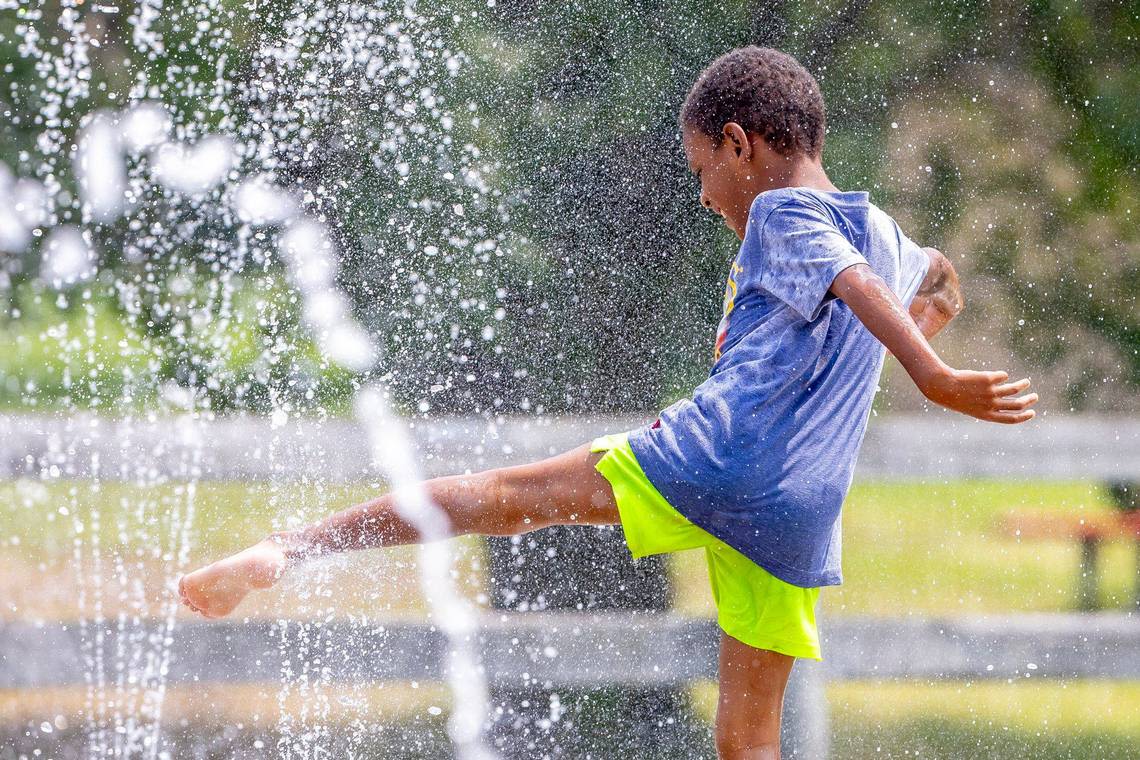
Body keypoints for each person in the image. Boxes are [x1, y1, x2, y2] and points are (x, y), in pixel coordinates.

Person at [178, 46, 1037, 759]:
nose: (704, 196)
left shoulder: (781, 211)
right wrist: (923, 318)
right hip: (799, 512)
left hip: (715, 457)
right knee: (750, 741)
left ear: (740, 145)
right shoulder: (886, 230)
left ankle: (288, 550)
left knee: (506, 500)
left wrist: (930, 373)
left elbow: (848, 282)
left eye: (704, 170)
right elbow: (936, 275)